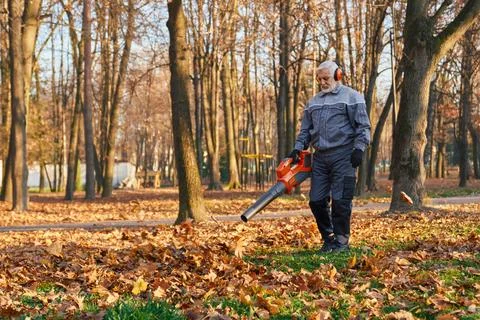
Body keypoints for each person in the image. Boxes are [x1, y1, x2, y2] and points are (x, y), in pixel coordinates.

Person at [288, 61, 371, 253]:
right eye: (319, 79)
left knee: (341, 201)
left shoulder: (352, 97)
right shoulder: (313, 102)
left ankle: (342, 242)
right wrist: (297, 148)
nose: (322, 82)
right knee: (316, 200)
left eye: (326, 78)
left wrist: (359, 148)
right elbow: (305, 131)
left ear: (338, 75)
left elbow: (363, 127)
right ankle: (329, 238)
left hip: (344, 155)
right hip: (321, 158)